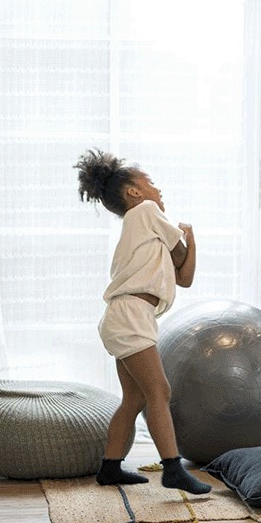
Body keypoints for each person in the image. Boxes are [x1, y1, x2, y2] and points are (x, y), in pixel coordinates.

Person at [75, 148, 212, 495]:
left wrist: (190, 239)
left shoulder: (144, 228)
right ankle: (173, 469)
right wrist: (187, 238)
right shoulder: (147, 212)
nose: (158, 189)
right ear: (134, 192)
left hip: (129, 315)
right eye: (150, 183)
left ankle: (110, 467)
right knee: (159, 391)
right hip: (131, 314)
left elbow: (184, 278)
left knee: (135, 397)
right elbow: (183, 260)